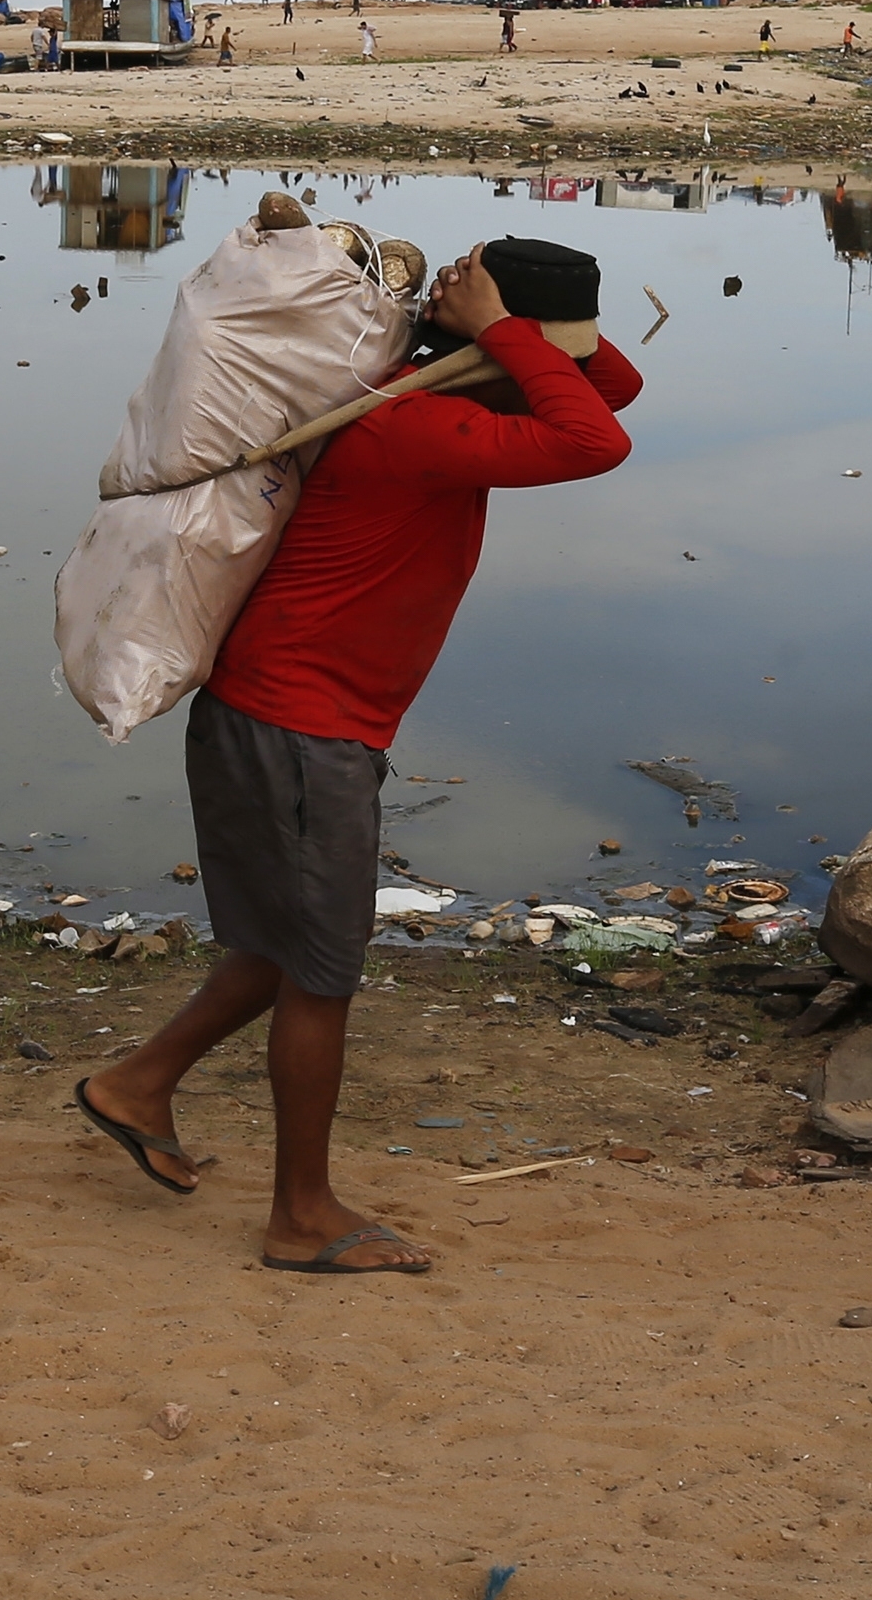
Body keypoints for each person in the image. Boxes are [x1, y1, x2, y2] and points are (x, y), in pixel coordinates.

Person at [75, 240, 642, 1274]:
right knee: (322, 974)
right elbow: (597, 438)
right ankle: (301, 1216)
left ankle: (135, 1084)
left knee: (276, 950)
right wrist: (509, 333)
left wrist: (497, 329)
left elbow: (611, 386)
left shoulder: (409, 390)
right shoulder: (423, 424)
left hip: (278, 715)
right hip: (302, 728)